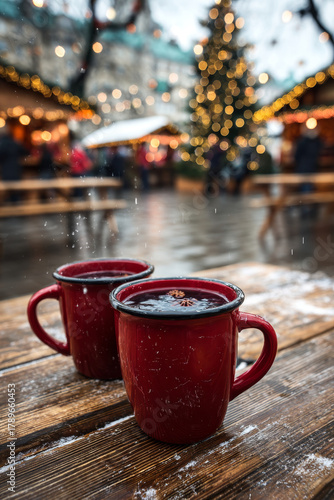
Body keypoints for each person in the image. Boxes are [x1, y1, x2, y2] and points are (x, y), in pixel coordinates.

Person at [0, 127, 28, 202]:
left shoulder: (1, 144)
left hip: (5, 172)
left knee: (7, 193)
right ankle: (16, 211)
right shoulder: (14, 143)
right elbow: (25, 152)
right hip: (16, 171)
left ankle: (10, 210)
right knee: (15, 195)